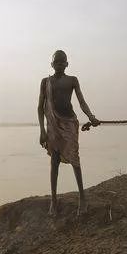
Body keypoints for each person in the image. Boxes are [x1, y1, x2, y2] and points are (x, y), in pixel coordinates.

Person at [38, 50, 99, 216]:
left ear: (66, 64)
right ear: (52, 65)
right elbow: (40, 108)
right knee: (54, 161)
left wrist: (91, 117)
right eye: (56, 62)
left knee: (74, 158)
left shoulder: (72, 80)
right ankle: (53, 200)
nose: (59, 65)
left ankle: (82, 198)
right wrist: (42, 131)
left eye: (62, 62)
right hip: (53, 126)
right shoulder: (45, 82)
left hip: (69, 123)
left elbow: (81, 101)